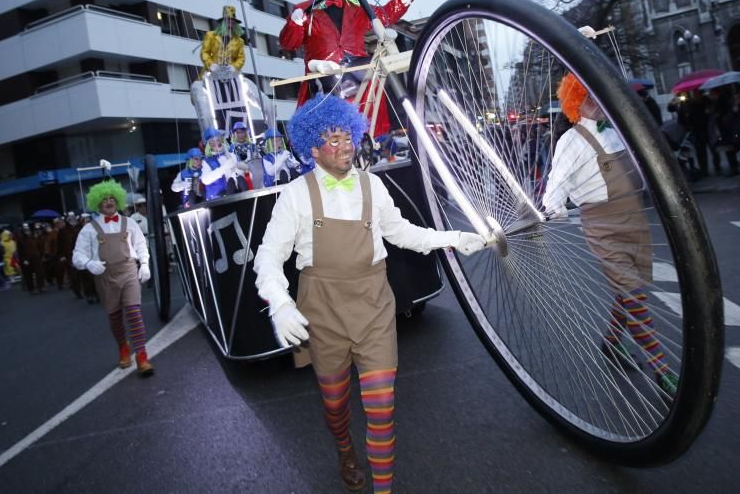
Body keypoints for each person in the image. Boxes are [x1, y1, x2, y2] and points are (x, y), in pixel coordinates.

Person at [253, 95, 487, 493]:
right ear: (313, 149)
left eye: (348, 137)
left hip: (374, 306)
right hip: (322, 312)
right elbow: (267, 258)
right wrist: (280, 303)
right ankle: (344, 447)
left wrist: (454, 239)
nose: (346, 146)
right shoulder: (295, 194)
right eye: (334, 140)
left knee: (381, 409)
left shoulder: (372, 185)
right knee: (335, 406)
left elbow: (403, 234)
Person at [541, 75, 678, 396]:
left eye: (598, 96)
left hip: (634, 217)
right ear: (576, 103)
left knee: (629, 287)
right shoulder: (570, 141)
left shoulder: (616, 132)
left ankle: (613, 343)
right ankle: (661, 368)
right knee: (632, 293)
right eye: (589, 98)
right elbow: (555, 182)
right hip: (601, 223)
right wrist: (553, 207)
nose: (597, 102)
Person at [278, 0, 413, 139]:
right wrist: (295, 23)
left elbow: (380, 16)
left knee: (385, 69)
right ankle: (337, 137)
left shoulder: (356, 7)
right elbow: (288, 43)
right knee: (333, 113)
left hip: (357, 67)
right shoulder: (305, 10)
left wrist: (402, 1)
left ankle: (398, 124)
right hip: (324, 73)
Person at [72, 179, 155, 376]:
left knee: (134, 313)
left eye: (112, 198)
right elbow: (77, 255)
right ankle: (123, 347)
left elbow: (141, 245)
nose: (109, 202)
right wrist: (88, 263)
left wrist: (144, 264)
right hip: (105, 277)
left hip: (128, 271)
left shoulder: (130, 222)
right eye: (104, 199)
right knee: (115, 317)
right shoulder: (89, 229)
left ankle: (142, 356)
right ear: (97, 203)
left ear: (118, 200)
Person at [201, 127, 247, 200]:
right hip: (218, 198)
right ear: (208, 144)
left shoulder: (232, 154)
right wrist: (223, 168)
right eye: (212, 141)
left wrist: (239, 166)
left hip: (237, 193)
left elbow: (244, 170)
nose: (215, 143)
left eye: (218, 140)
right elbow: (205, 180)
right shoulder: (206, 161)